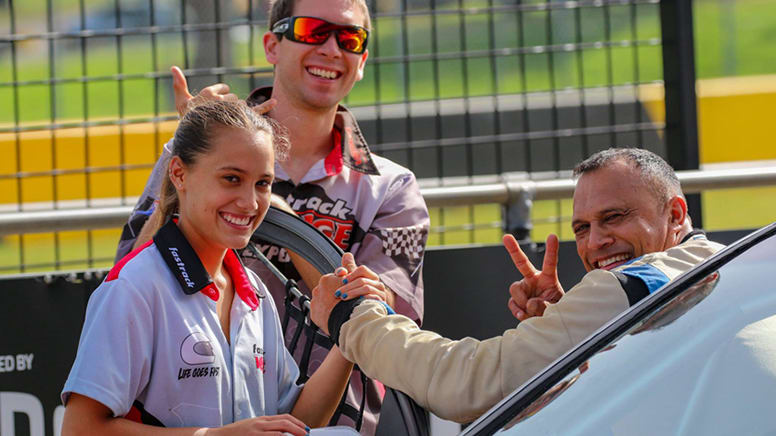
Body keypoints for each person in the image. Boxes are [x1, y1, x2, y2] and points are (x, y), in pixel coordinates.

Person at [115, 1, 429, 433]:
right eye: (312, 31)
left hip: (331, 426)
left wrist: (284, 223)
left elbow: (388, 320)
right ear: (271, 45)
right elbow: (126, 279)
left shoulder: (391, 188)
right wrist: (188, 156)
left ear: (362, 62)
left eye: (350, 38)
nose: (333, 49)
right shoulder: (193, 154)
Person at [308, 148, 725, 423]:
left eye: (614, 217)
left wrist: (352, 318)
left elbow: (469, 384)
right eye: (582, 228)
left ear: (675, 214)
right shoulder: (723, 263)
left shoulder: (633, 286)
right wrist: (570, 328)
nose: (596, 241)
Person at [61, 101, 356, 435]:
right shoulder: (135, 287)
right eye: (231, 179)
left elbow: (296, 424)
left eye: (263, 183)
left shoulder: (255, 293)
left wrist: (349, 338)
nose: (250, 202)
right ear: (179, 174)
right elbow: (79, 429)